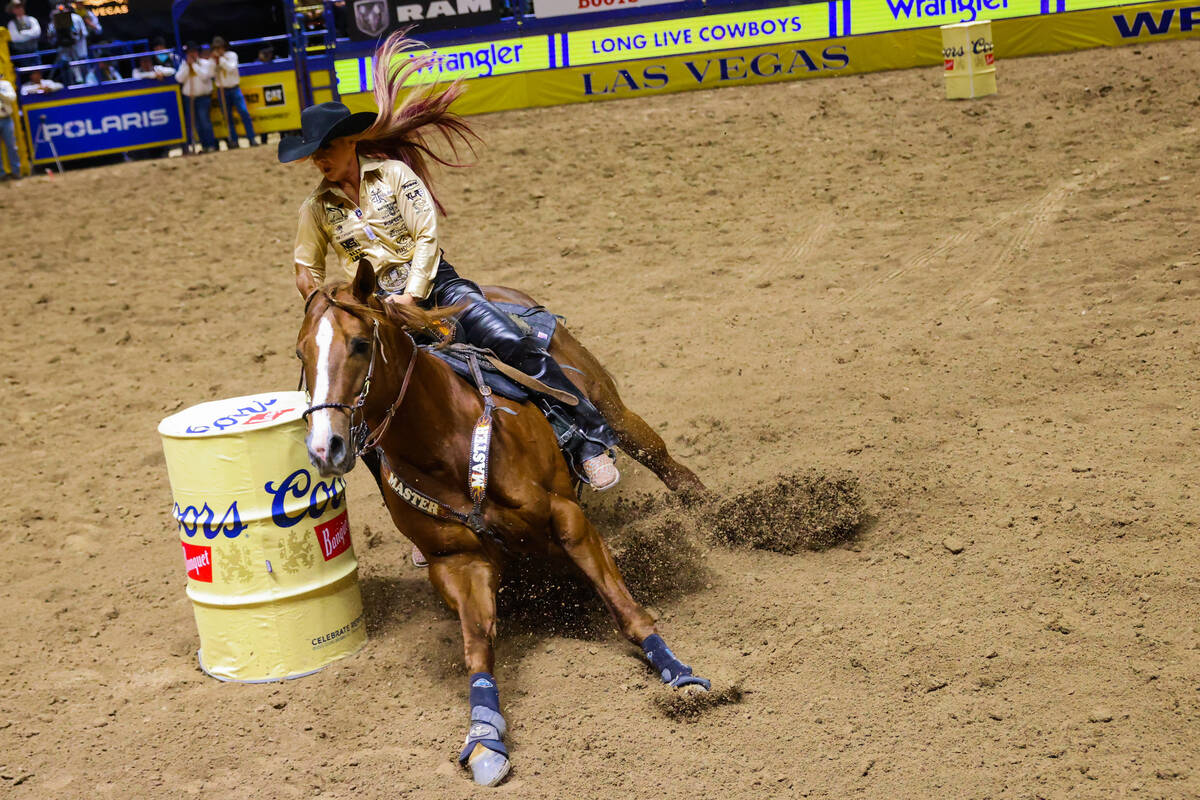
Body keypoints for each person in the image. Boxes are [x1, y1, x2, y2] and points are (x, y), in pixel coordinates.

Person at [282, 33, 621, 562]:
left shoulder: (394, 176)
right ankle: (420, 518)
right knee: (366, 418)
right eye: (314, 154)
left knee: (512, 341)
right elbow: (305, 264)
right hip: (376, 314)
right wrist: (316, 294)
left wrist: (414, 296)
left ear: (350, 142)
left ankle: (588, 440)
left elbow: (426, 237)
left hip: (438, 288)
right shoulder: (316, 208)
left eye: (326, 148)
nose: (320, 159)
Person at [211, 36, 257, 148]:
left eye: (220, 47)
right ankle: (234, 141)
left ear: (223, 47)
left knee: (244, 112)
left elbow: (231, 68)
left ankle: (251, 138)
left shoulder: (231, 55)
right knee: (227, 117)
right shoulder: (212, 60)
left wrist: (220, 60)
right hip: (222, 90)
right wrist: (215, 63)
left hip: (234, 88)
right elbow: (211, 74)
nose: (218, 50)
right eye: (216, 48)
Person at [175, 42, 217, 153]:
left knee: (205, 122)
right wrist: (187, 67)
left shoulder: (204, 63)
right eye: (189, 52)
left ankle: (210, 145)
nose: (191, 54)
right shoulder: (184, 65)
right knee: (197, 124)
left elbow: (205, 77)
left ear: (197, 53)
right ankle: (204, 146)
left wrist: (193, 65)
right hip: (190, 98)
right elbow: (179, 79)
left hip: (203, 97)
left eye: (193, 52)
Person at [47, 2, 87, 85]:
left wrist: (74, 35)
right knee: (67, 75)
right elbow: (51, 38)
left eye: (63, 9)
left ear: (68, 9)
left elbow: (83, 33)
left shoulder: (76, 18)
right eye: (58, 10)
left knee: (83, 73)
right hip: (63, 53)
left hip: (78, 52)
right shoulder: (54, 21)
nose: (61, 12)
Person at [0, 75, 20, 180]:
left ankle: (16, 171)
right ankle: (1, 174)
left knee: (12, 146)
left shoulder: (5, 84)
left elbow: (12, 98)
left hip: (6, 118)